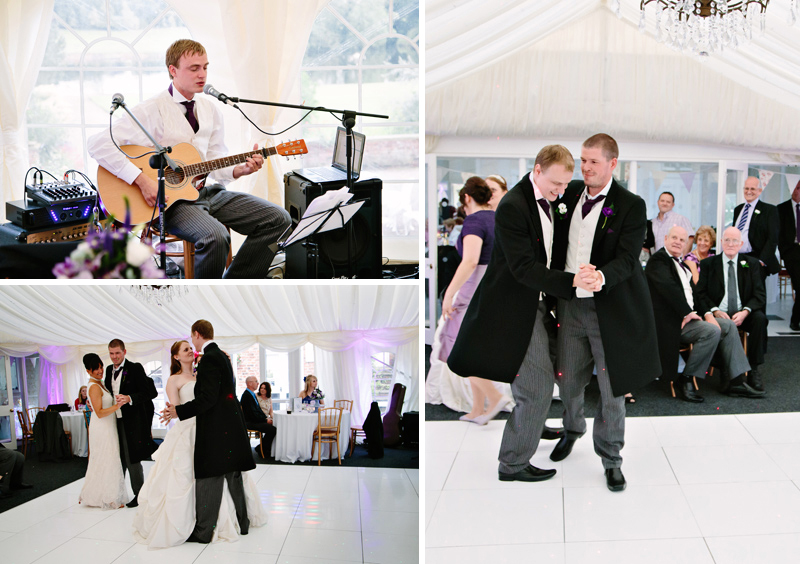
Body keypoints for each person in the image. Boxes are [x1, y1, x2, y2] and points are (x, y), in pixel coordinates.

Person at [449, 145, 597, 482]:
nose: (561, 193)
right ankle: (513, 463)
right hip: (514, 306)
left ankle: (533, 425)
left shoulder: (547, 196)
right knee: (538, 384)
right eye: (556, 185)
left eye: (564, 186)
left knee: (546, 371)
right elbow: (524, 269)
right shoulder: (514, 206)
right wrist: (571, 282)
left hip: (539, 303)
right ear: (537, 170)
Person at [87, 39, 291, 279]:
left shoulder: (210, 110)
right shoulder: (151, 109)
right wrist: (142, 180)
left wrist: (240, 170)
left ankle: (233, 285)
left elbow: (214, 159)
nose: (202, 74)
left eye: (205, 67)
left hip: (205, 193)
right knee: (214, 236)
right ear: (173, 70)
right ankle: (204, 299)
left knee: (279, 219)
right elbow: (98, 144)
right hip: (169, 203)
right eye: (194, 68)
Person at [549, 133, 660, 492]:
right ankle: (572, 428)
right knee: (567, 379)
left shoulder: (630, 204)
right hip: (569, 304)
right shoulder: (567, 194)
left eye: (593, 161)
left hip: (608, 309)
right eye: (582, 160)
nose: (585, 167)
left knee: (612, 388)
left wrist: (601, 275)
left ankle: (611, 457)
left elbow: (629, 258)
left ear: (613, 163)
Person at [134, 341, 265, 547]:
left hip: (211, 429)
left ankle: (230, 520)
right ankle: (193, 522)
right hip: (188, 430)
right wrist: (172, 412)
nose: (190, 351)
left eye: (190, 348)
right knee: (189, 476)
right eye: (185, 349)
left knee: (222, 474)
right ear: (176, 356)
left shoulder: (202, 373)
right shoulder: (174, 379)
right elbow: (177, 409)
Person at [162, 320, 256, 543]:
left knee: (208, 477)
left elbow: (208, 398)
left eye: (190, 340)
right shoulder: (221, 356)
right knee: (233, 475)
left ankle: (204, 531)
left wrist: (179, 411)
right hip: (227, 426)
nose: (191, 345)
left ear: (196, 334)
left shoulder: (209, 359)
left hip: (215, 428)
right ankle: (243, 523)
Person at [646, 226, 752, 402]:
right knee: (711, 331)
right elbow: (669, 289)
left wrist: (708, 313)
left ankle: (735, 381)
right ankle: (686, 378)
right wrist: (687, 313)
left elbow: (695, 295)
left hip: (688, 319)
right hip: (669, 323)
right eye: (674, 238)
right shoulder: (658, 261)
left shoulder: (683, 265)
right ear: (665, 239)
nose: (677, 242)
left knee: (728, 325)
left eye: (681, 240)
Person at [438, 177, 511, 425]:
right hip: (494, 289)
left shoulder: (474, 221)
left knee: (457, 351)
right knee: (474, 351)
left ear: (466, 198)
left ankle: (495, 396)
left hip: (474, 290)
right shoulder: (496, 219)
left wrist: (449, 294)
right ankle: (478, 409)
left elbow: (470, 261)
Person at [696, 227, 769, 395]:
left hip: (743, 313)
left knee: (760, 319)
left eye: (734, 240)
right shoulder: (708, 264)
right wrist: (714, 310)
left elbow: (759, 294)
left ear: (741, 244)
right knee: (720, 327)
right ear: (721, 242)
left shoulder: (751, 264)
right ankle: (725, 371)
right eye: (727, 240)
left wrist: (745, 311)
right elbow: (700, 293)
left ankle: (754, 369)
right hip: (719, 313)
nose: (730, 244)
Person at [105, 339, 158, 508]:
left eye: (117, 353)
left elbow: (148, 392)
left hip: (132, 421)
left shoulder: (135, 368)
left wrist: (129, 398)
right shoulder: (107, 370)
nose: (114, 357)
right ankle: (118, 492)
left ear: (124, 352)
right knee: (116, 458)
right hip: (113, 420)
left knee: (132, 458)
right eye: (112, 354)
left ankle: (139, 494)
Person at [79, 353, 127, 510]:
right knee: (106, 458)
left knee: (109, 458)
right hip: (102, 428)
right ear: (88, 371)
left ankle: (105, 494)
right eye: (96, 369)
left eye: (100, 367)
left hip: (108, 426)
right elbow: (99, 412)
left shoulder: (100, 384)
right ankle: (109, 497)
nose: (100, 371)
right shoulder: (93, 387)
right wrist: (117, 406)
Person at [733, 176, 780, 281]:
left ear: (759, 191)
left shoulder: (769, 210)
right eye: (746, 188)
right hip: (738, 258)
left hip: (756, 260)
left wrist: (761, 261)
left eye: (752, 189)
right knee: (740, 292)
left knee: (756, 294)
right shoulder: (738, 210)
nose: (749, 191)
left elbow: (773, 239)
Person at [778, 179, 800, 331]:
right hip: (792, 253)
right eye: (797, 187)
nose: (799, 191)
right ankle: (795, 320)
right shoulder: (782, 208)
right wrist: (784, 251)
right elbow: (778, 233)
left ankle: (795, 319)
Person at [240, 376, 277, 458]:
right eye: (256, 381)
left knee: (273, 427)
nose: (258, 383)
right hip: (250, 422)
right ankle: (263, 450)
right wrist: (265, 420)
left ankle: (261, 448)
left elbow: (258, 411)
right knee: (273, 430)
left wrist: (266, 418)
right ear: (249, 383)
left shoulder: (251, 394)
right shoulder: (247, 396)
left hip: (255, 420)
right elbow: (252, 414)